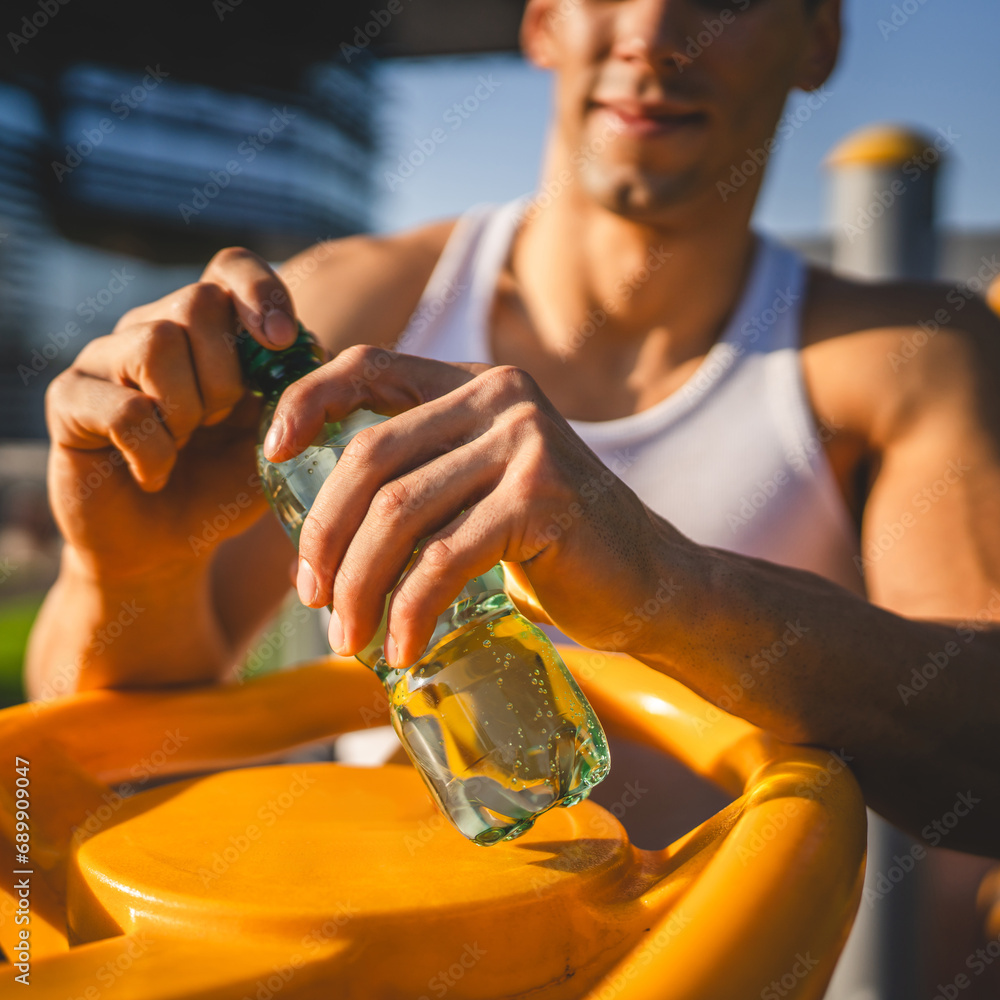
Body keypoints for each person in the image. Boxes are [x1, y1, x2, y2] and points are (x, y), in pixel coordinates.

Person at [25, 0, 1000, 858]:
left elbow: (983, 757)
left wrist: (668, 586)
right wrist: (128, 579)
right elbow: (100, 779)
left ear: (818, 37)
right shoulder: (346, 311)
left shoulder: (909, 356)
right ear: (542, 19)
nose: (654, 35)